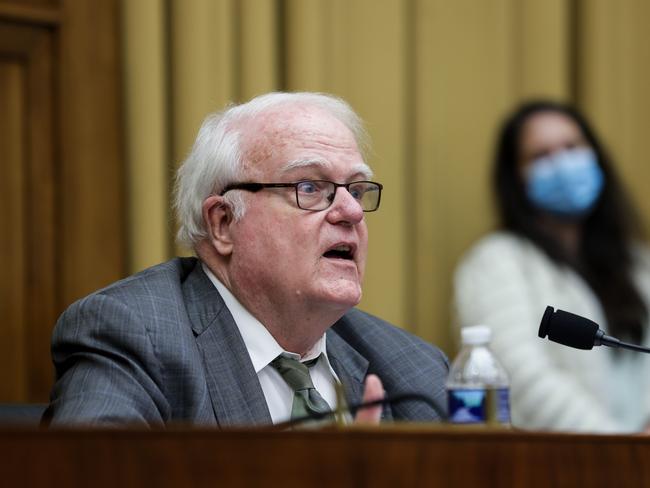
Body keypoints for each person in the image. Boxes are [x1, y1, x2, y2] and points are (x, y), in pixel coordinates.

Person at [44, 92, 448, 427]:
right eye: (310, 187)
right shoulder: (133, 337)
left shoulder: (414, 369)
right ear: (223, 222)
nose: (351, 212)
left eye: (356, 190)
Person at [453, 100, 650, 433]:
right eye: (541, 156)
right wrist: (620, 447)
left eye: (572, 147)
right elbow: (521, 378)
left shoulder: (638, 263)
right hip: (573, 463)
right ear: (517, 179)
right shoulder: (496, 262)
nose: (562, 163)